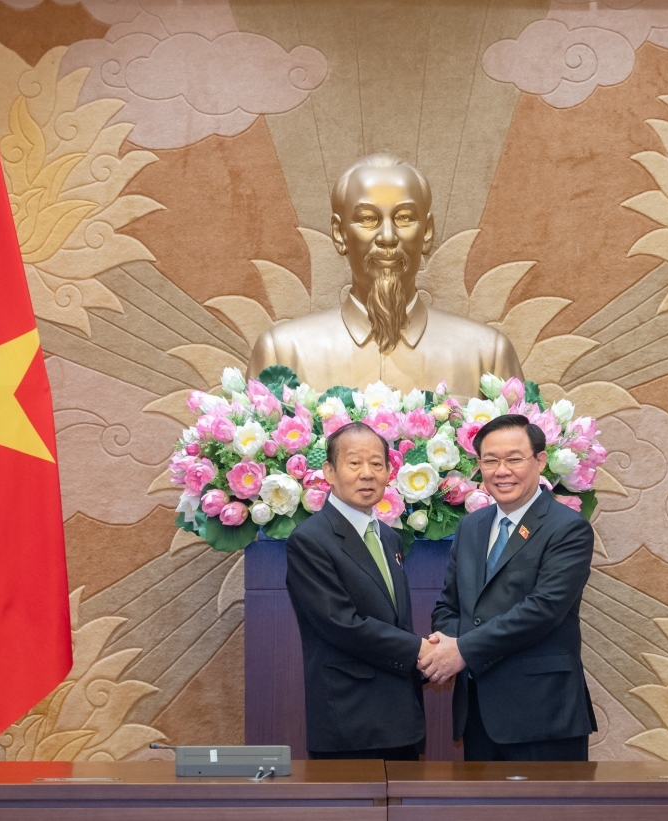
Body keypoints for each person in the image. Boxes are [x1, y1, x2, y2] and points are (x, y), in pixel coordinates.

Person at [247, 153, 522, 397]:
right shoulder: (282, 354)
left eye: (404, 218)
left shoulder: (487, 356)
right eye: (368, 219)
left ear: (427, 232)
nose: (388, 237)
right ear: (339, 234)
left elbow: (519, 452)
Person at [421, 413, 597, 761]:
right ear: (479, 466)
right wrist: (448, 641)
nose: (502, 471)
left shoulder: (567, 529)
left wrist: (463, 649)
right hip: (479, 714)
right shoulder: (472, 526)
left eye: (514, 459)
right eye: (491, 461)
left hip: (543, 714)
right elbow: (448, 606)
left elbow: (542, 611)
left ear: (540, 461)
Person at [285, 421, 433, 759]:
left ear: (388, 472)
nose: (367, 473)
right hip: (350, 723)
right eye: (354, 463)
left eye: (376, 464)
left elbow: (394, 619)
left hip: (402, 719)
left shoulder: (389, 536)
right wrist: (421, 651)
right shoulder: (310, 540)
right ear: (329, 471)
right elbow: (341, 623)